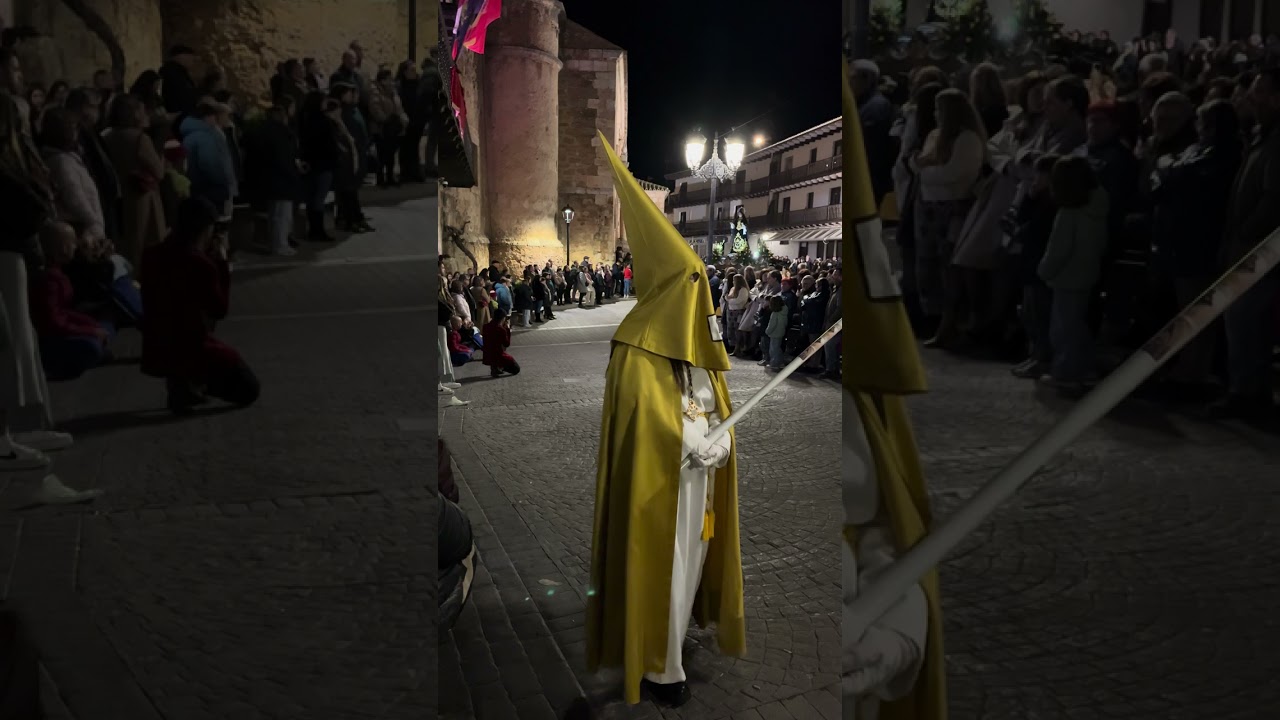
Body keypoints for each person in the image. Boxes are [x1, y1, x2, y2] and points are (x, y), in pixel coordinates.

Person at [587, 136, 744, 708]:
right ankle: (659, 665)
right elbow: (643, 424)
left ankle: (671, 645)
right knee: (663, 568)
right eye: (693, 284)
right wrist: (689, 441)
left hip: (698, 487)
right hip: (660, 488)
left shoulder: (694, 342)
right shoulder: (635, 346)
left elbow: (714, 401)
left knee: (690, 567)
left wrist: (720, 442)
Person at [140, 197, 259, 413]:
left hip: (157, 344)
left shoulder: (151, 255)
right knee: (249, 388)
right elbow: (219, 309)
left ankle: (183, 384)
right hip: (191, 345)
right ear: (205, 228)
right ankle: (192, 382)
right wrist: (221, 263)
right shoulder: (200, 264)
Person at [1212, 68, 1280, 421]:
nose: (1252, 98)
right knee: (1247, 323)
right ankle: (1251, 388)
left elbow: (1273, 200)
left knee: (1245, 320)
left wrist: (1246, 232)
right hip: (1248, 245)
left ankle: (1246, 392)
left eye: (1260, 91)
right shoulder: (1261, 136)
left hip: (1259, 249)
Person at [1037, 156, 1109, 393]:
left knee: (1063, 329)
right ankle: (1086, 370)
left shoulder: (1068, 213)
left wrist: (1044, 270)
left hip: (1066, 277)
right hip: (1088, 273)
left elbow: (1058, 251)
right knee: (1078, 325)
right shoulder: (1097, 208)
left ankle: (1066, 373)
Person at [28, 222, 113, 381]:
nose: (75, 246)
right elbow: (54, 322)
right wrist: (89, 331)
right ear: (62, 248)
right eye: (72, 242)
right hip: (51, 339)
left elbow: (65, 311)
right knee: (92, 347)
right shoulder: (49, 280)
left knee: (103, 326)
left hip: (62, 331)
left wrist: (91, 326)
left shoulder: (58, 272)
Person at [1008, 155, 1061, 380]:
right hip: (1030, 262)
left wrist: (1022, 232)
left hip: (1041, 264)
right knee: (1029, 313)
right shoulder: (1038, 197)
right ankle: (1035, 354)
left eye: (1040, 175)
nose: (1036, 179)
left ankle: (1043, 357)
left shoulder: (1055, 203)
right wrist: (1029, 197)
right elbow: (1022, 218)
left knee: (1040, 313)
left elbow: (1038, 229)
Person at [180, 100, 237, 221]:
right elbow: (210, 165)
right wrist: (223, 185)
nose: (215, 120)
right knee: (215, 222)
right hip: (210, 189)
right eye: (213, 117)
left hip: (197, 187)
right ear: (207, 117)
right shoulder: (206, 136)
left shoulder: (190, 134)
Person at [480, 308, 519, 377]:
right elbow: (506, 344)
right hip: (498, 354)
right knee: (516, 369)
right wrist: (508, 330)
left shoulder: (485, 326)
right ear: (503, 318)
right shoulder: (501, 330)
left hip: (487, 354)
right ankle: (500, 366)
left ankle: (495, 367)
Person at [764, 294, 788, 371]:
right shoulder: (784, 312)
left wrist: (767, 331)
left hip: (774, 333)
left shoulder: (775, 314)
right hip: (781, 332)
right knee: (778, 348)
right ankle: (780, 362)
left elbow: (772, 325)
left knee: (773, 350)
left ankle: (774, 364)